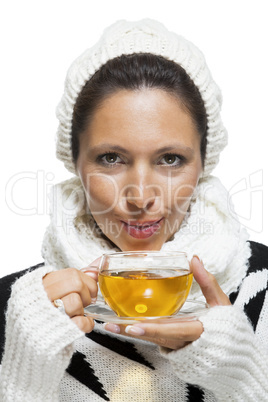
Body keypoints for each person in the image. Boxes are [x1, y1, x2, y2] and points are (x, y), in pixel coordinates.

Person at [0, 18, 267, 402]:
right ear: (73, 162)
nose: (140, 196)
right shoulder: (20, 309)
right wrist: (26, 380)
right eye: (111, 158)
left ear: (204, 163)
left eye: (171, 159)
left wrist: (242, 378)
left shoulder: (263, 286)